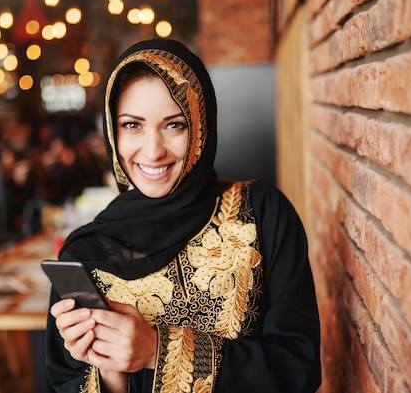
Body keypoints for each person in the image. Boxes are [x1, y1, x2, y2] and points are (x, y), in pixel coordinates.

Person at [45, 39, 321, 393]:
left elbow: (299, 368)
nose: (153, 150)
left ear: (201, 128)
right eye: (132, 125)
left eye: (174, 125)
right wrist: (110, 372)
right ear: (112, 133)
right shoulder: (86, 254)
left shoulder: (261, 213)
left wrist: (156, 351)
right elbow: (66, 382)